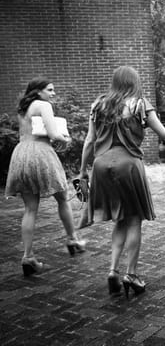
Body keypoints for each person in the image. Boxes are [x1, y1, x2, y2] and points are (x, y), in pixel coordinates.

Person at [79, 66, 165, 297]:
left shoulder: (99, 105)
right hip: (128, 166)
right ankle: (131, 274)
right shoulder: (139, 104)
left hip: (101, 166)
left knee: (119, 219)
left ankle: (113, 270)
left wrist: (82, 171)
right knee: (134, 220)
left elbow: (89, 140)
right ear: (134, 82)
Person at [6, 77, 87, 277]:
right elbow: (53, 133)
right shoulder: (43, 105)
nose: (53, 93)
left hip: (21, 154)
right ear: (38, 91)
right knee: (62, 198)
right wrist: (66, 139)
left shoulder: (23, 108)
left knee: (30, 209)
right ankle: (73, 239)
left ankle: (28, 256)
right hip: (41, 154)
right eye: (50, 90)